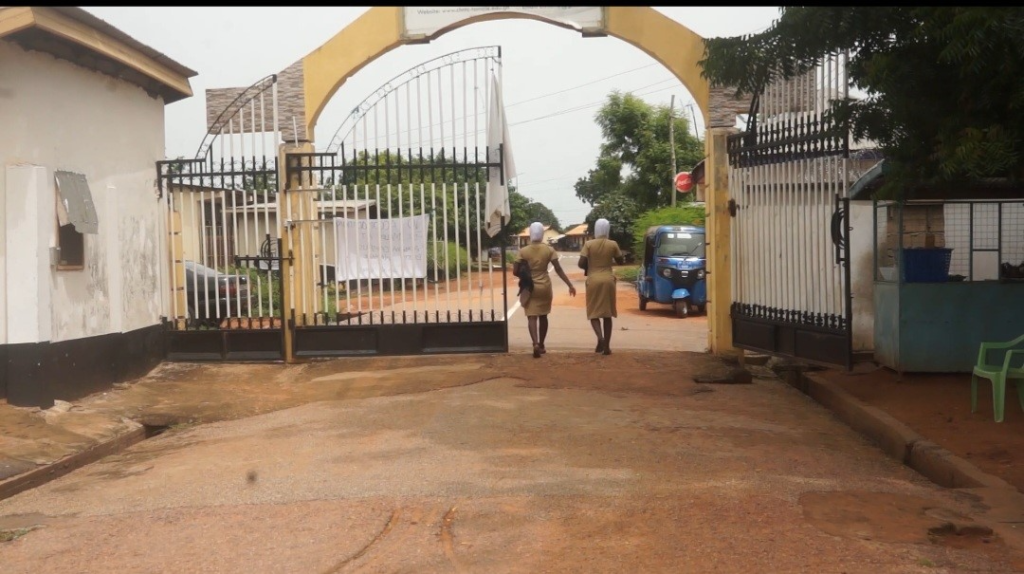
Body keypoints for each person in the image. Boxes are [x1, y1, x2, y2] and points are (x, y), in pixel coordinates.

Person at [513, 222, 576, 358]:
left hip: (529, 287)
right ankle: (541, 344)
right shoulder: (549, 250)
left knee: (531, 316)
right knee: (543, 316)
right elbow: (558, 269)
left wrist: (525, 274)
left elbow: (515, 271)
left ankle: (535, 343)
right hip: (545, 286)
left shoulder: (523, 251)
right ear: (542, 234)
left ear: (530, 234)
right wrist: (569, 285)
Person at [579, 218, 624, 355]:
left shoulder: (588, 244)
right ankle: (607, 347)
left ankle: (600, 338)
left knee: (593, 312)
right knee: (607, 314)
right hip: (608, 280)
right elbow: (620, 261)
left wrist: (590, 266)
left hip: (593, 280)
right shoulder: (613, 244)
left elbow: (581, 263)